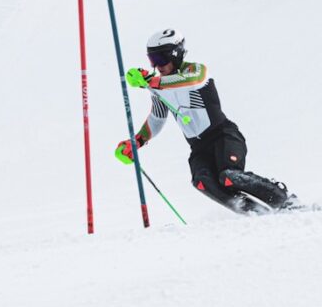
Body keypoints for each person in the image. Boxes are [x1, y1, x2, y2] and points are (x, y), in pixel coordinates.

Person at [115, 29, 294, 214]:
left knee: (230, 176)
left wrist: (153, 82)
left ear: (175, 54)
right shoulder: (160, 87)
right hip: (199, 148)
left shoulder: (195, 71)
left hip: (223, 136)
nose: (158, 65)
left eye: (161, 58)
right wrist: (137, 141)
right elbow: (157, 118)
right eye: (153, 60)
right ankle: (252, 212)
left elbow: (192, 81)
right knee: (202, 181)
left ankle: (285, 200)